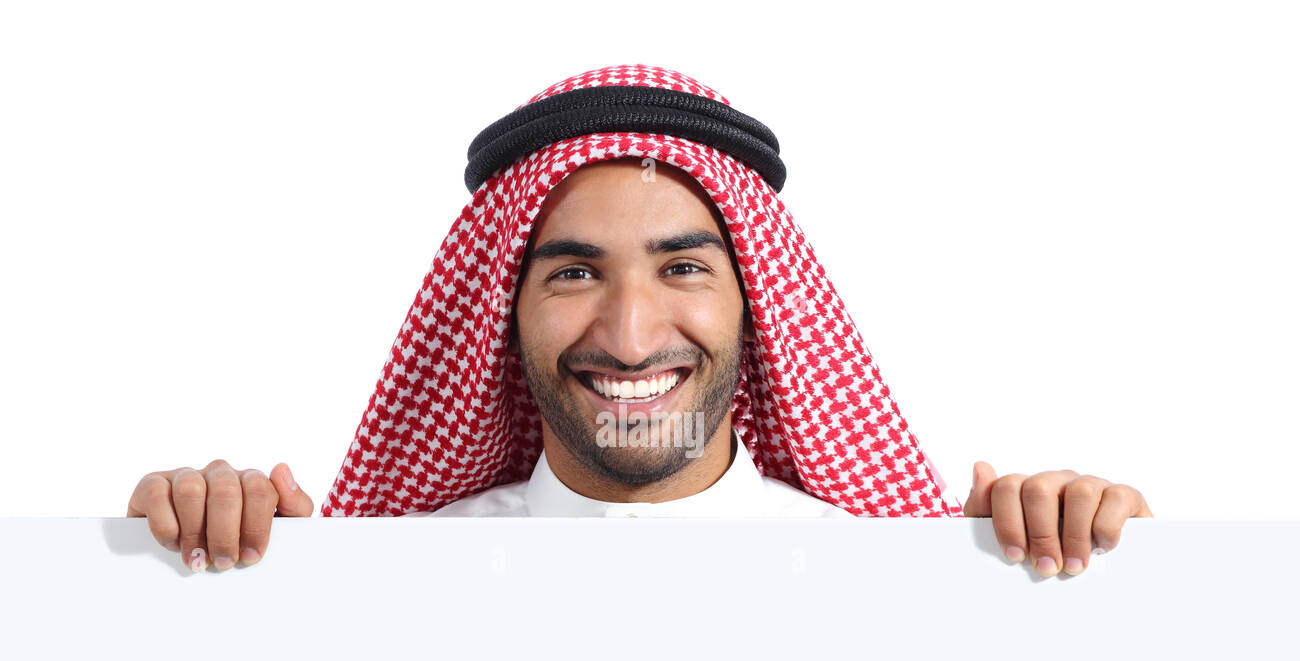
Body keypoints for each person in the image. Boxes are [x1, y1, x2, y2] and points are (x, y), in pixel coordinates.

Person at [127, 64, 1152, 575]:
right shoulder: (379, 584)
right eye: (572, 271)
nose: (628, 334)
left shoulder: (899, 578)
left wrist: (1099, 589)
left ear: (755, 295)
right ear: (502, 309)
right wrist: (205, 590)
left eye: (683, 267)